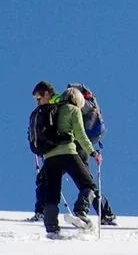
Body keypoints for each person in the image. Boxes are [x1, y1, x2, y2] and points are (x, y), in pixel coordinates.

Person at [29, 81, 99, 237]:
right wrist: (93, 153)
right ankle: (81, 212)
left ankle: (51, 227)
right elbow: (80, 135)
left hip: (49, 157)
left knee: (52, 193)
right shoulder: (73, 110)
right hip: (68, 153)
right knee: (88, 185)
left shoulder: (53, 109)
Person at [67, 83, 116, 225]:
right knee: (87, 183)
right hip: (83, 146)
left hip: (76, 146)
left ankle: (45, 210)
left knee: (84, 183)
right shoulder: (90, 104)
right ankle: (106, 213)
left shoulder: (81, 104)